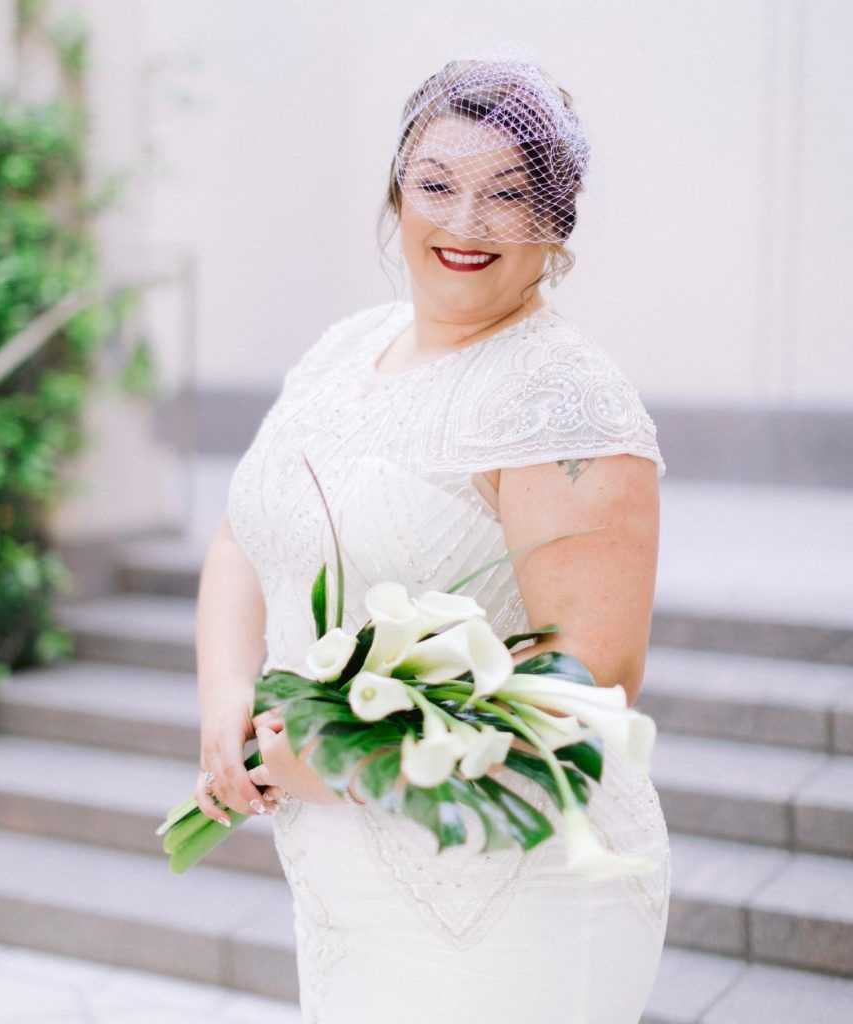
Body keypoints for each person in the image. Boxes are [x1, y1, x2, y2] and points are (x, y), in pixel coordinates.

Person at [194, 45, 670, 1024]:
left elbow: (588, 676)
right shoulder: (342, 351)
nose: (461, 222)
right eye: (436, 184)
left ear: (558, 217)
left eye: (505, 195)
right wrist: (226, 701)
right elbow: (245, 539)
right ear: (395, 194)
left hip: (508, 887)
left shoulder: (560, 396)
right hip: (341, 883)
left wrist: (343, 759)